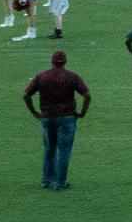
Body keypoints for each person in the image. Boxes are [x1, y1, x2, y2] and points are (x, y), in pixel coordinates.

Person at [23, 50, 91, 190]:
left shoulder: (42, 76)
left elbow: (26, 95)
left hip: (48, 117)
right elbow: (87, 96)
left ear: (52, 61)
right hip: (67, 117)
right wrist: (82, 113)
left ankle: (47, 180)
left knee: (49, 149)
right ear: (65, 61)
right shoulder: (72, 76)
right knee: (64, 151)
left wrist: (35, 112)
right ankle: (60, 182)